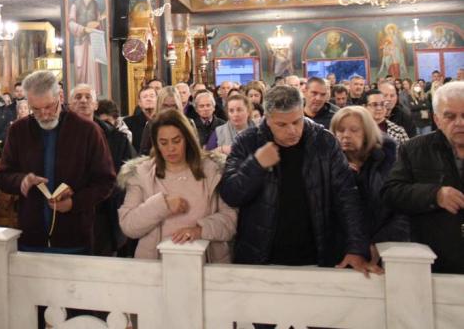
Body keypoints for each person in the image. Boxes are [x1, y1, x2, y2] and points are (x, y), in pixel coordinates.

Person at [219, 86, 377, 275]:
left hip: (318, 256)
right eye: (282, 125)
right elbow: (230, 195)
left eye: (297, 121)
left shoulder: (324, 141)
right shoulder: (247, 142)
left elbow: (347, 196)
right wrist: (256, 165)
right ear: (267, 119)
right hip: (260, 256)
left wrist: (356, 248)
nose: (292, 130)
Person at [0, 71, 116, 253]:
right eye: (35, 109)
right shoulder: (18, 131)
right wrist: (22, 181)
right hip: (31, 236)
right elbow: (3, 176)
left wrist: (74, 203)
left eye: (49, 107)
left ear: (60, 96)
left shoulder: (87, 130)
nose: (44, 115)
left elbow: (106, 181)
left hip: (74, 236)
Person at [118, 110, 236, 261]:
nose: (171, 148)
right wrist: (162, 206)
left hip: (206, 263)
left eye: (176, 140)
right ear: (156, 144)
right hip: (156, 265)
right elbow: (128, 225)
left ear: (187, 139)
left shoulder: (213, 171)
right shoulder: (142, 174)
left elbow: (230, 220)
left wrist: (200, 230)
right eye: (163, 142)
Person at [382, 81, 464, 273]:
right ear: (437, 119)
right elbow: (391, 194)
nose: (460, 122)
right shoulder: (413, 149)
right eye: (450, 116)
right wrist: (434, 195)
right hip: (436, 262)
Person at [330, 107, 409, 264]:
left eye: (354, 130)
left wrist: (378, 244)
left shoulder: (390, 161)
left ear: (367, 132)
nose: (346, 135)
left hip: (386, 249)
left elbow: (402, 211)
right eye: (340, 130)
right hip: (343, 251)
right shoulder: (329, 164)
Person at [69, 84, 135, 256]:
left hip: (104, 214)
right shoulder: (59, 136)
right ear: (70, 105)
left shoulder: (117, 139)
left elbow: (127, 178)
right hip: (69, 212)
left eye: (88, 97)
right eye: (78, 97)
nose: (83, 101)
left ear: (96, 105)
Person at [68, 0, 105, 95]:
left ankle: (93, 94)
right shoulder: (76, 4)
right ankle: (80, 94)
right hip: (80, 41)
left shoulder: (95, 4)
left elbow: (98, 22)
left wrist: (100, 21)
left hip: (93, 41)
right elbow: (70, 23)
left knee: (93, 68)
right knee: (80, 68)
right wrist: (83, 29)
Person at [139, 86, 184, 155]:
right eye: (165, 106)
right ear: (159, 105)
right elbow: (144, 154)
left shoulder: (187, 124)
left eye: (173, 106)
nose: (169, 110)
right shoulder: (151, 125)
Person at [125, 85, 157, 154]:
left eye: (152, 96)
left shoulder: (163, 121)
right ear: (139, 103)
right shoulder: (128, 123)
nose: (149, 99)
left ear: (158, 100)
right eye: (145, 97)